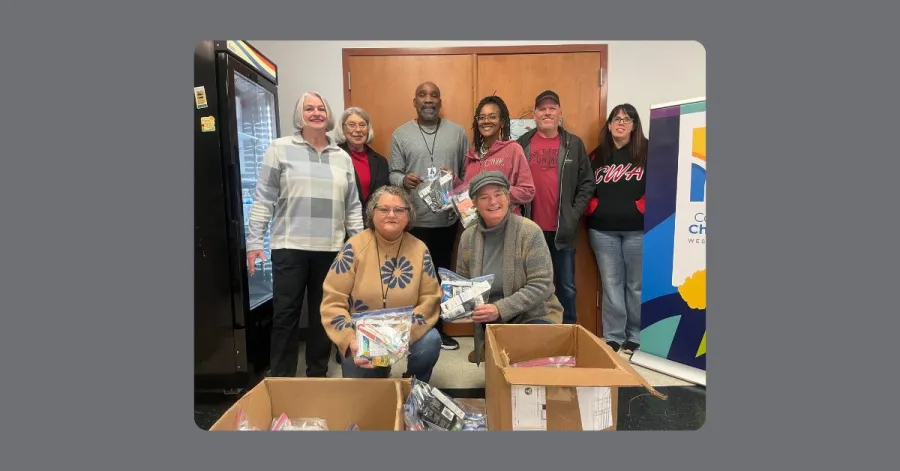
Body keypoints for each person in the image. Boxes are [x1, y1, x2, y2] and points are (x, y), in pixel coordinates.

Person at [246, 91, 364, 378]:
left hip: (331, 248)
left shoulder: (341, 157)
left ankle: (317, 374)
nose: (316, 113)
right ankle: (283, 379)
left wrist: (360, 245)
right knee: (285, 316)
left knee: (324, 316)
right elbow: (262, 199)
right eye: (309, 108)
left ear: (328, 114)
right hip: (290, 246)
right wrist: (253, 243)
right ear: (300, 114)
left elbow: (352, 206)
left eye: (321, 108)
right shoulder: (279, 148)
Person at [320, 185, 442, 382]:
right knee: (363, 400)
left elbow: (431, 298)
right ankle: (378, 372)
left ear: (408, 216)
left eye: (399, 210)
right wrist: (349, 339)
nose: (391, 214)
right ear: (372, 213)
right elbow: (333, 300)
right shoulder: (354, 247)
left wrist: (401, 337)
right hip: (362, 334)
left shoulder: (420, 249)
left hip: (404, 331)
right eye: (383, 209)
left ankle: (413, 385)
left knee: (431, 340)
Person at [389, 81, 469, 351]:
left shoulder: (457, 133)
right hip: (413, 222)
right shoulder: (401, 134)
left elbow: (466, 176)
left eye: (434, 95)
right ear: (415, 101)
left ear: (440, 101)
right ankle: (412, 332)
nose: (428, 99)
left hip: (447, 220)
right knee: (412, 279)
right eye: (422, 95)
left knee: (442, 278)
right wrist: (403, 180)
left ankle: (438, 330)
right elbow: (393, 174)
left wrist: (456, 179)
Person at [454, 171, 563, 364]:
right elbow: (462, 285)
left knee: (524, 360)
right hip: (491, 321)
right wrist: (459, 306)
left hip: (533, 314)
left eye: (498, 194)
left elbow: (541, 285)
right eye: (484, 197)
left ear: (508, 197)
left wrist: (499, 309)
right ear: (475, 204)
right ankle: (491, 347)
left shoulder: (529, 231)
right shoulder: (468, 237)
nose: (492, 201)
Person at [515, 90, 595, 325]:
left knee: (567, 287)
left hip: (563, 230)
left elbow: (587, 184)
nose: (547, 112)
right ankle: (535, 333)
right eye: (542, 109)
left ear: (560, 113)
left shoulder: (574, 144)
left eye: (552, 108)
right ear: (535, 114)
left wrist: (573, 213)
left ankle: (569, 334)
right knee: (531, 286)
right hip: (529, 230)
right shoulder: (523, 144)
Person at [584, 104, 649, 354]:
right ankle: (613, 335)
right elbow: (586, 188)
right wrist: (594, 208)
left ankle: (635, 335)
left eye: (626, 119)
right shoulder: (597, 156)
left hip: (638, 231)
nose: (620, 123)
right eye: (616, 119)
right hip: (602, 231)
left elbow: (662, 187)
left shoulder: (648, 152)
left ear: (634, 125)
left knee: (636, 285)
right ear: (609, 125)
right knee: (611, 284)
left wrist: (642, 208)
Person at [460, 94, 534, 215]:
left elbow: (528, 192)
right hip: (477, 227)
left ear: (502, 122)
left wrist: (497, 191)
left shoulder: (513, 149)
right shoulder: (472, 154)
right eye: (482, 117)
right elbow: (469, 191)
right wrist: (453, 181)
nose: (486, 121)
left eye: (492, 117)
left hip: (506, 226)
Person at [335, 106, 390, 222]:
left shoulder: (380, 161)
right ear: (342, 128)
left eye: (362, 125)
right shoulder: (333, 157)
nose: (358, 130)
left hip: (372, 225)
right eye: (352, 124)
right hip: (342, 224)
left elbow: (384, 196)